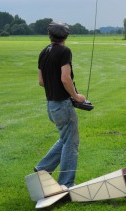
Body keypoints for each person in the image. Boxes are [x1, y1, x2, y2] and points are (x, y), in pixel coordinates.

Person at [34, 21, 86, 187]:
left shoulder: (43, 53)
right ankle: (66, 184)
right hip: (63, 105)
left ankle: (42, 169)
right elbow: (65, 78)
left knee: (65, 139)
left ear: (50, 36)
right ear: (66, 36)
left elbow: (41, 82)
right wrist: (76, 96)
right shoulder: (64, 51)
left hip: (51, 106)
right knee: (71, 143)